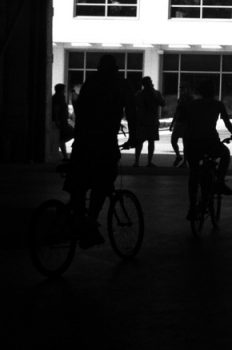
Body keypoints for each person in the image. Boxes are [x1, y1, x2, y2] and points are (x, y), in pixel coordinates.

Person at [62, 53, 135, 247]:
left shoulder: (91, 82)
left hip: (83, 139)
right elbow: (132, 111)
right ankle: (90, 222)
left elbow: (80, 109)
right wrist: (134, 136)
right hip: (104, 141)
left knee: (79, 182)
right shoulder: (120, 84)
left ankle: (79, 218)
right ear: (116, 69)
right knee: (103, 181)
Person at [178, 78, 232, 219]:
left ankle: (192, 207)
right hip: (210, 142)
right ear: (213, 92)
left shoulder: (192, 105)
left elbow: (183, 122)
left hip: (193, 143)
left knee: (194, 175)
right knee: (225, 153)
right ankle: (220, 182)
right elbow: (227, 122)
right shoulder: (217, 104)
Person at [133, 76, 165, 167]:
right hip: (146, 121)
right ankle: (142, 161)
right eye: (149, 82)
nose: (150, 83)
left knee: (146, 141)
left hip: (148, 121)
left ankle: (140, 161)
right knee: (143, 141)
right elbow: (163, 103)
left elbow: (163, 103)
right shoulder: (141, 94)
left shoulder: (148, 93)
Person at [51, 83, 73, 161]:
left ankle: (65, 156)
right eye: (64, 89)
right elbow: (56, 109)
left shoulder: (57, 97)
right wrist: (57, 120)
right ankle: (60, 146)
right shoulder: (59, 97)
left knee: (62, 137)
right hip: (61, 121)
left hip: (62, 120)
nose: (65, 91)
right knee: (71, 133)